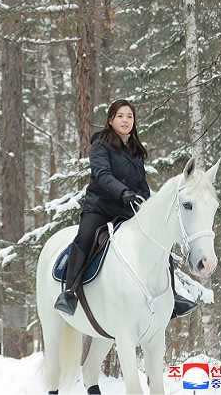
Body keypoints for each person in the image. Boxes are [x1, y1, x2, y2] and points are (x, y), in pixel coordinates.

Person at [54, 99, 197, 319]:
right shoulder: (100, 145)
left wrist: (149, 205)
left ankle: (173, 295)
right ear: (111, 120)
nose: (125, 120)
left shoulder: (136, 150)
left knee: (159, 240)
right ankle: (70, 292)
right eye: (120, 115)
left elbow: (141, 184)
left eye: (130, 116)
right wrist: (123, 192)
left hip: (129, 209)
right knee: (84, 237)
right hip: (100, 207)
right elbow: (102, 175)